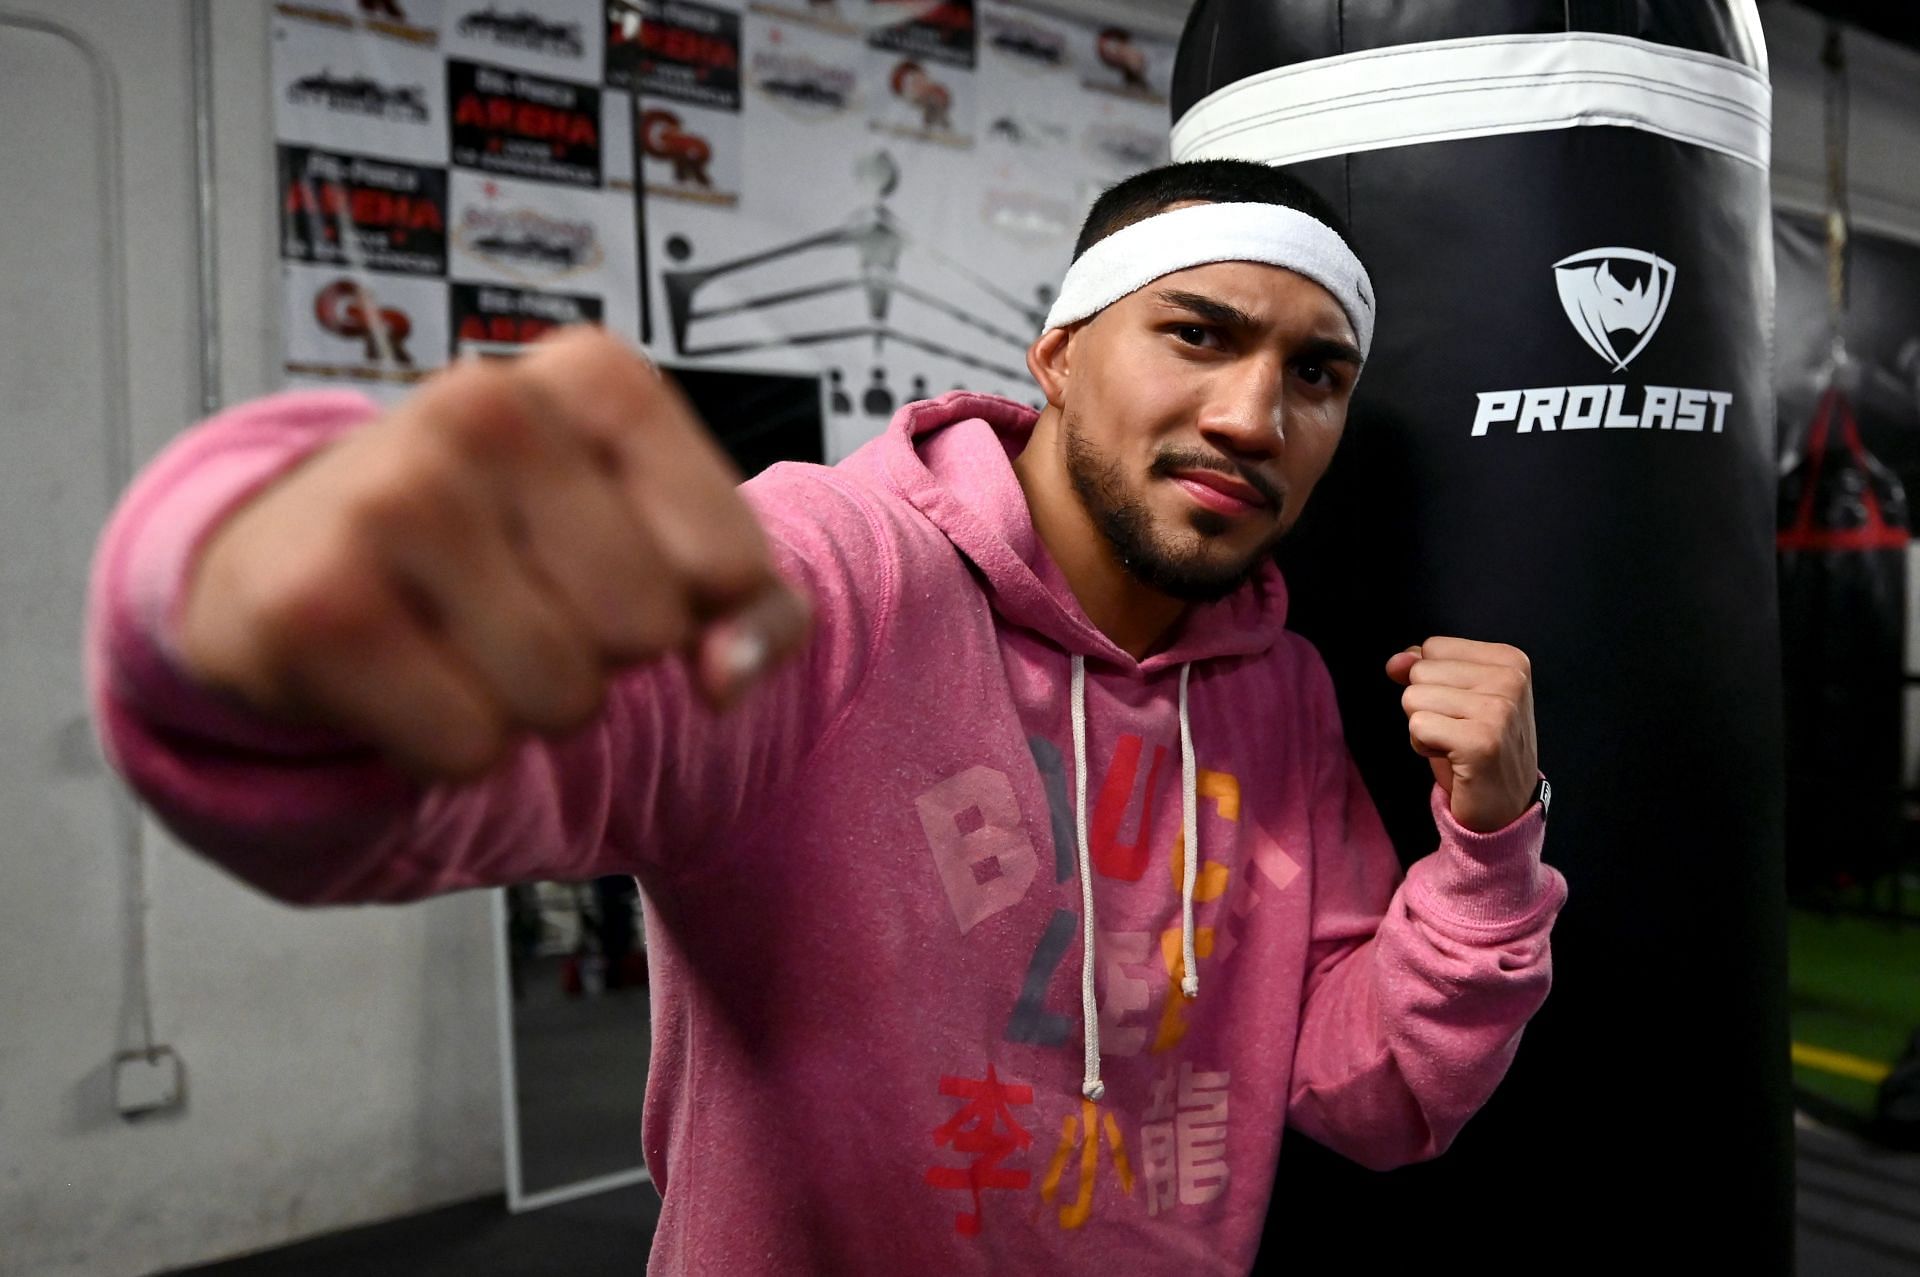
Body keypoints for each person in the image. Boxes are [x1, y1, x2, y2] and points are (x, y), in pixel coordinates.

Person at [86, 159, 1565, 1273]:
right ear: (1055, 357)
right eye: (1198, 334)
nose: (1257, 416)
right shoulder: (837, 569)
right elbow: (520, 755)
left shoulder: (1281, 693)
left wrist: (1488, 845)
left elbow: (1369, 1090)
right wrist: (264, 625)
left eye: (1317, 376)